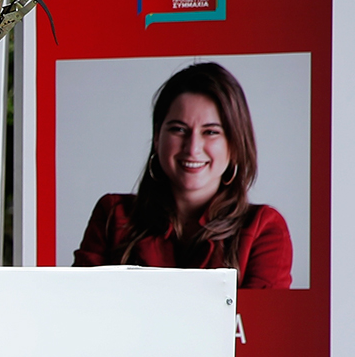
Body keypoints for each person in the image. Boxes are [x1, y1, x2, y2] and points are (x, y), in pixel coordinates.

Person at [74, 61, 292, 288]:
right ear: (157, 137)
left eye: (210, 132)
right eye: (178, 129)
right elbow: (78, 312)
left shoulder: (263, 229)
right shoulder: (112, 215)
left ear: (235, 144)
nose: (193, 147)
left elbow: (259, 324)